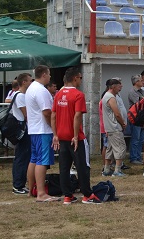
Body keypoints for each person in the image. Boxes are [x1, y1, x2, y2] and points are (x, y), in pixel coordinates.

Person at [51, 67, 102, 204]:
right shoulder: (78, 95)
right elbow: (77, 115)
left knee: (64, 167)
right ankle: (87, 194)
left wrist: (55, 134)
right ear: (75, 78)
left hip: (61, 135)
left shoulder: (58, 94)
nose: (81, 80)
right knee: (82, 166)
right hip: (75, 137)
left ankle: (67, 195)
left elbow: (53, 115)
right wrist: (75, 135)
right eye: (80, 78)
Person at [26, 66, 57, 202]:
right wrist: (54, 128)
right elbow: (47, 112)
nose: (50, 77)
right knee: (42, 161)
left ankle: (31, 189)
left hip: (34, 129)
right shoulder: (41, 90)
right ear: (44, 74)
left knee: (34, 159)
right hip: (42, 129)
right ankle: (41, 193)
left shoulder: (31, 88)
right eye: (49, 74)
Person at [11, 73, 32, 194]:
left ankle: (20, 183)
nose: (31, 83)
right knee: (22, 157)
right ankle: (18, 185)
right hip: (23, 129)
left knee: (23, 156)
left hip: (22, 128)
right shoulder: (20, 96)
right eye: (29, 81)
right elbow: (26, 114)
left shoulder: (18, 95)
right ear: (24, 82)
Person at [101, 79, 127, 178]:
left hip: (109, 128)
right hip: (115, 127)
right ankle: (117, 170)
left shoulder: (106, 96)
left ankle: (107, 169)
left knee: (110, 148)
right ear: (112, 86)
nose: (120, 88)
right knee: (120, 147)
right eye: (118, 86)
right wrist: (123, 123)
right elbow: (117, 114)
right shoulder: (110, 97)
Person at [127, 74, 144, 165]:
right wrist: (143, 99)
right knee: (135, 138)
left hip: (142, 117)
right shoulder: (132, 92)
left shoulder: (142, 91)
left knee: (141, 139)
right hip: (135, 118)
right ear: (136, 82)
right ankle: (133, 157)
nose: (142, 82)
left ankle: (138, 157)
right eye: (140, 80)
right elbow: (139, 103)